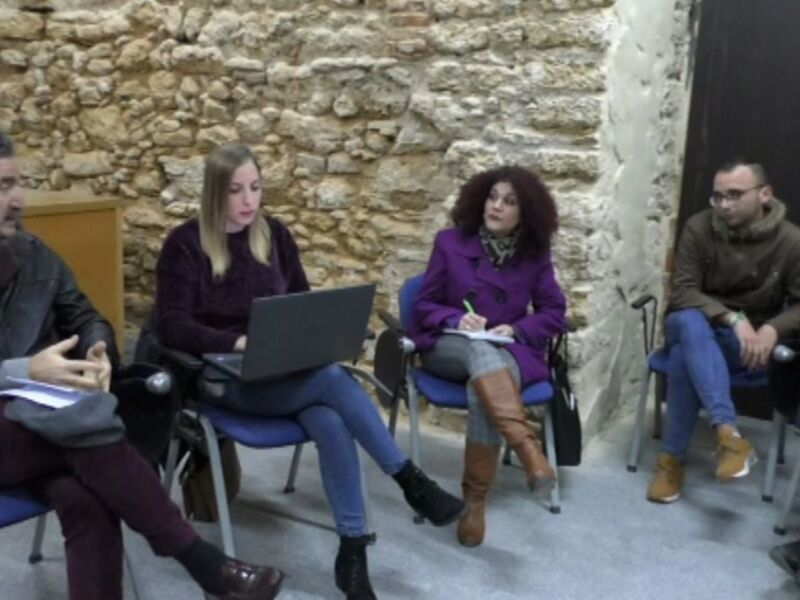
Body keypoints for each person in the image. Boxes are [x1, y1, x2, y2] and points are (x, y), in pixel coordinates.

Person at [154, 142, 465, 600]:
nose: (248, 200)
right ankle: (408, 480)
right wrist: (237, 342)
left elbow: (301, 303)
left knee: (330, 418)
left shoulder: (275, 236)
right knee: (334, 381)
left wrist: (319, 336)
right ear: (214, 193)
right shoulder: (185, 244)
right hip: (223, 378)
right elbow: (172, 325)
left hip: (284, 371)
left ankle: (352, 554)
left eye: (255, 187)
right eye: (236, 190)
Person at [0, 132, 284, 599]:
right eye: (5, 186)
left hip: (41, 424)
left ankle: (207, 567)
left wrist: (97, 349)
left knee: (86, 497)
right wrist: (23, 371)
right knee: (89, 430)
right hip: (28, 422)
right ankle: (203, 563)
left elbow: (86, 316)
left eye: (17, 183)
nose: (18, 199)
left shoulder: (34, 254)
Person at [408, 166, 567, 547]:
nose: (496, 206)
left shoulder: (534, 255)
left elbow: (554, 311)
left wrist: (516, 329)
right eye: (493, 197)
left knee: (483, 382)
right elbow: (423, 305)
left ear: (524, 214)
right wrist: (456, 318)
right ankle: (528, 449)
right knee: (480, 351)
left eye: (509, 202)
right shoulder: (449, 243)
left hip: (506, 349)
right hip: (449, 346)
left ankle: (474, 502)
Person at [647, 158, 800, 504]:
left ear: (765, 194)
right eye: (718, 196)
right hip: (694, 322)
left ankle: (671, 461)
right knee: (689, 322)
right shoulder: (700, 227)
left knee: (685, 356)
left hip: (744, 345)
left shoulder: (791, 241)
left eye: (734, 194)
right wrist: (733, 318)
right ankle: (727, 431)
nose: (724, 204)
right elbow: (682, 291)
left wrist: (773, 328)